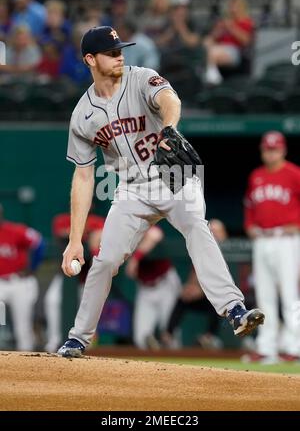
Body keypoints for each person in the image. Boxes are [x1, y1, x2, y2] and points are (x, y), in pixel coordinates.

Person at [57, 25, 264, 358]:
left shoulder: (140, 78)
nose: (119, 55)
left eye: (120, 49)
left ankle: (234, 309)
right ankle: (79, 337)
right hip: (130, 189)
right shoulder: (82, 115)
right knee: (105, 259)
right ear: (90, 60)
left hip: (174, 174)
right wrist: (75, 239)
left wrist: (169, 127)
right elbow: (83, 177)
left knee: (197, 226)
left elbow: (170, 99)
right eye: (111, 53)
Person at [243, 131, 300, 363]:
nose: (271, 153)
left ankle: (294, 347)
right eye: (267, 149)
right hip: (262, 239)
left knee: (289, 294)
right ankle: (267, 347)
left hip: (286, 240)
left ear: (283, 150)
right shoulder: (256, 176)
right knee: (264, 295)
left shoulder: (294, 173)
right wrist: (249, 225)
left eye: (275, 149)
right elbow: (248, 205)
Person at [161, 219, 228, 349]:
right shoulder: (204, 250)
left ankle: (211, 337)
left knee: (219, 302)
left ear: (224, 234)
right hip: (207, 295)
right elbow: (196, 273)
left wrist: (202, 290)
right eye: (211, 231)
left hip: (233, 302)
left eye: (216, 232)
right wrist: (191, 287)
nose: (213, 235)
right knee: (183, 298)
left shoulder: (228, 250)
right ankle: (168, 336)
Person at [44, 210, 104, 353]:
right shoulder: (63, 218)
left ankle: (85, 344)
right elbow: (62, 232)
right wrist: (87, 232)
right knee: (52, 301)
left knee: (86, 309)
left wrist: (92, 234)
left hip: (87, 277)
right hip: (65, 276)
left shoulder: (97, 220)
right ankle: (54, 342)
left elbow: (102, 234)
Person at [125, 225, 181, 349]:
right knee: (140, 337)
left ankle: (177, 366)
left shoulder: (148, 228)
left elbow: (155, 235)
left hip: (165, 283)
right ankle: (151, 362)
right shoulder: (126, 233)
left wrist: (135, 258)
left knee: (170, 333)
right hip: (145, 288)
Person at [0, 203, 45, 350]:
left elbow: (39, 242)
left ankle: (26, 364)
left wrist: (33, 267)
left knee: (23, 327)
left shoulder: (15, 230)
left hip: (18, 282)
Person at [204, 0, 255, 85]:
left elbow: (246, 41)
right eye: (231, 6)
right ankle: (212, 73)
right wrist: (219, 29)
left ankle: (212, 77)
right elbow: (212, 39)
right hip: (220, 48)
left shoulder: (246, 21)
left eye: (235, 6)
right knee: (207, 44)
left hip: (235, 51)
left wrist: (231, 27)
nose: (232, 9)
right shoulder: (225, 21)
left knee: (213, 52)